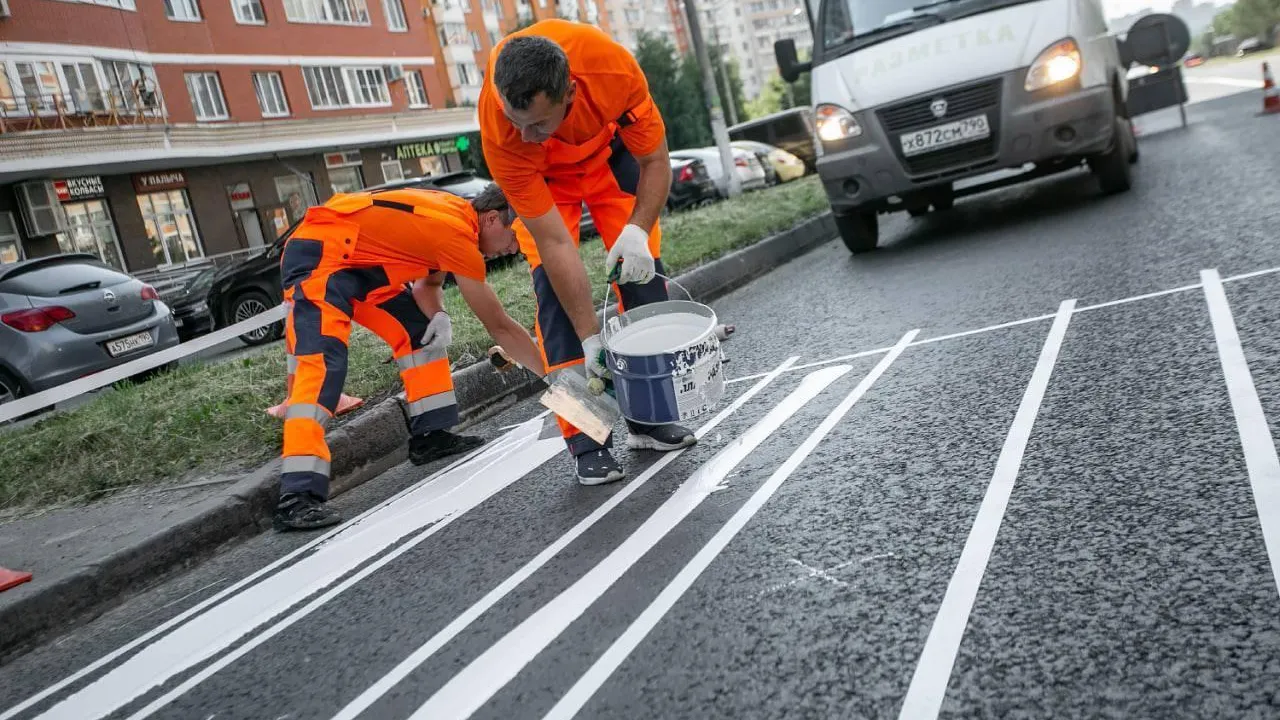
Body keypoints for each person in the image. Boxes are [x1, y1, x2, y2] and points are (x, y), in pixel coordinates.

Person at [479, 18, 696, 486]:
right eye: (519, 123)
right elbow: (556, 241)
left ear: (571, 94)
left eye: (538, 122)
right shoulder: (504, 132)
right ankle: (586, 441)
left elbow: (655, 161)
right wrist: (589, 337)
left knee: (642, 280)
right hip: (544, 180)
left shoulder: (613, 73)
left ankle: (649, 419)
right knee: (555, 304)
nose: (528, 133)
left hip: (607, 156)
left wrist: (638, 231)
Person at [274, 183, 543, 531]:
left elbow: (427, 286)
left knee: (419, 333)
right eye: (511, 240)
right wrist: (553, 375)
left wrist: (439, 316)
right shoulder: (456, 235)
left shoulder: (458, 218)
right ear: (492, 219)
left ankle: (430, 436)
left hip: (359, 261)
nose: (510, 251)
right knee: (322, 369)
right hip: (321, 258)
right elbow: (500, 327)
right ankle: (296, 497)